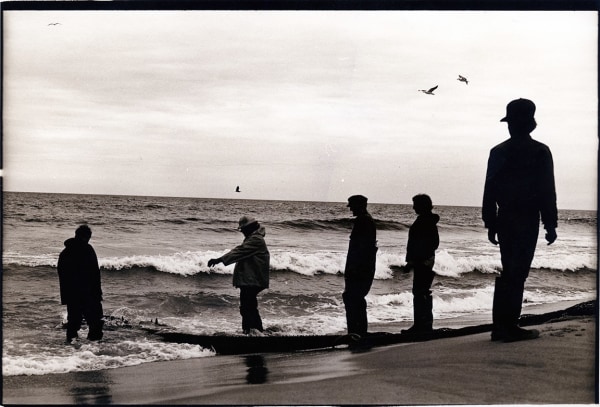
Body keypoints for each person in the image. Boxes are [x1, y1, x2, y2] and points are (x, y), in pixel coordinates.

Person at [483, 98, 558, 342]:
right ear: (531, 124)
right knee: (518, 271)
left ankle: (501, 326)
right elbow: (547, 190)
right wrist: (550, 224)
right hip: (527, 218)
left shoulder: (498, 151)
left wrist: (490, 221)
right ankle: (508, 326)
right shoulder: (540, 151)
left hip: (505, 217)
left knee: (509, 269)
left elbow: (489, 190)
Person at [208, 216, 270, 335]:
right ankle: (254, 331)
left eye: (243, 229)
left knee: (247, 307)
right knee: (249, 306)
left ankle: (252, 332)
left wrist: (219, 259)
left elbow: (239, 251)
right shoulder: (253, 237)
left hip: (253, 280)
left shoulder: (255, 239)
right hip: (252, 279)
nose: (242, 232)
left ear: (249, 228)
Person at [57, 225, 104, 343]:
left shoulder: (65, 252)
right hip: (89, 293)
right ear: (87, 237)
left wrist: (66, 296)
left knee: (73, 323)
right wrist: (98, 293)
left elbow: (61, 274)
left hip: (72, 294)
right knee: (95, 322)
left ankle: (72, 349)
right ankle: (94, 347)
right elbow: (95, 273)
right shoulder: (88, 249)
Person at [403, 194, 440, 334]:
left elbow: (432, 243)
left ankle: (422, 325)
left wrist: (416, 260)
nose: (413, 207)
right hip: (423, 260)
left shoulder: (426, 221)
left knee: (420, 292)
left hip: (424, 261)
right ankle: (422, 324)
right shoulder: (426, 220)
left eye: (415, 204)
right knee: (421, 292)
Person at [343, 195, 378, 339]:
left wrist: (354, 268)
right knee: (355, 298)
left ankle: (356, 332)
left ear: (360, 205)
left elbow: (362, 248)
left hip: (359, 268)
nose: (350, 208)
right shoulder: (366, 220)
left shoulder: (363, 220)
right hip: (363, 267)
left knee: (352, 297)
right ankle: (359, 331)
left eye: (352, 205)